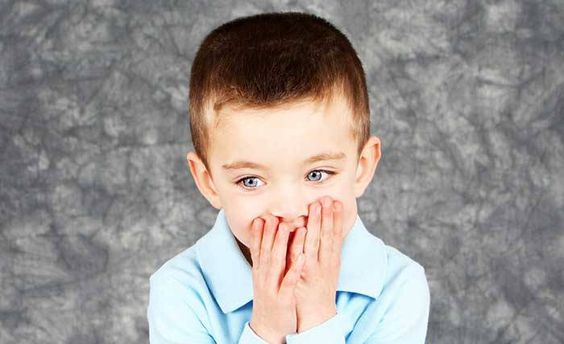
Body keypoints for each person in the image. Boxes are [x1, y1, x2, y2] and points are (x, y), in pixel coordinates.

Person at [147, 11, 430, 344]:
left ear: (362, 167)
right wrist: (268, 329)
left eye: (317, 174)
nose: (290, 210)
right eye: (250, 180)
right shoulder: (180, 291)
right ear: (208, 182)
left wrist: (318, 320)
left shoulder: (397, 286)